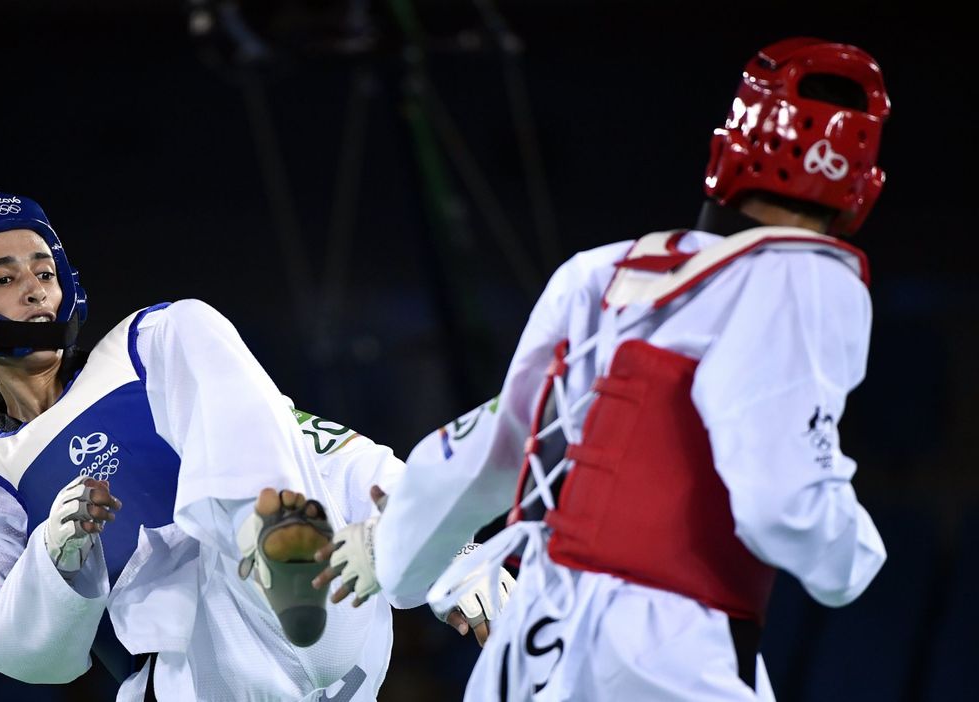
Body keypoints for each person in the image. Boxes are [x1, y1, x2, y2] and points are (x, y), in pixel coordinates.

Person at [360, 37, 892, 700]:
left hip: (530, 644)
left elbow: (492, 452)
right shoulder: (809, 277)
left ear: (730, 147)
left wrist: (397, 565)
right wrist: (853, 559)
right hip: (665, 648)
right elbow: (781, 500)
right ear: (860, 188)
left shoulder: (603, 272)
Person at [0, 187, 458, 701]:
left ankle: (284, 545)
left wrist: (456, 555)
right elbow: (25, 655)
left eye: (44, 271)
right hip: (196, 676)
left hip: (301, 610)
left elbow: (328, 455)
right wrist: (55, 558)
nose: (34, 289)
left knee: (185, 321)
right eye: (3, 279)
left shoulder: (146, 355)